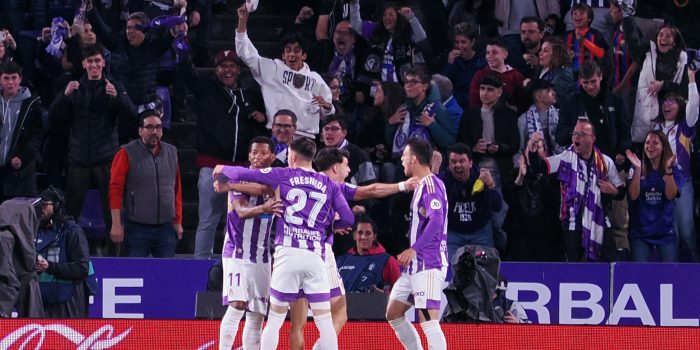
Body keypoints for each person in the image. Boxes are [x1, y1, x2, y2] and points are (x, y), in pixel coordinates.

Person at [213, 137, 354, 350]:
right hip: (315, 256)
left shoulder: (284, 175)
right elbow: (348, 219)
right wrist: (331, 227)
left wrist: (223, 168)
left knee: (275, 319)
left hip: (287, 254)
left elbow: (244, 173)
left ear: (293, 156)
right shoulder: (329, 184)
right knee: (325, 322)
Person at [288, 147, 417, 350]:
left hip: (292, 253)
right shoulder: (332, 186)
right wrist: (402, 186)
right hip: (320, 253)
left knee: (297, 321)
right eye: (346, 166)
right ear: (335, 167)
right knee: (338, 310)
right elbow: (370, 191)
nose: (349, 171)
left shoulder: (296, 180)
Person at [181, 48, 267, 259]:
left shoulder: (250, 95)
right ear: (216, 70)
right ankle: (201, 265)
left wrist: (262, 121)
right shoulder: (207, 89)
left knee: (241, 217)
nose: (227, 70)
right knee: (209, 219)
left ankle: (238, 261)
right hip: (212, 165)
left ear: (238, 70)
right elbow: (187, 74)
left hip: (242, 168)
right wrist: (182, 49)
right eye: (222, 66)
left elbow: (262, 128)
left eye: (231, 66)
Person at [48, 45, 135, 252]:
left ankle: (116, 260)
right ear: (84, 64)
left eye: (97, 61)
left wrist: (118, 98)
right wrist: (64, 96)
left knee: (112, 213)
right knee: (70, 213)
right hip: (78, 159)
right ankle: (63, 253)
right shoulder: (74, 87)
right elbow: (52, 118)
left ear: (103, 63)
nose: (94, 65)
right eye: (90, 61)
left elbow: (132, 117)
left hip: (106, 159)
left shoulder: (114, 86)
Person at [526, 118, 624, 262]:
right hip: (572, 222)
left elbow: (621, 192)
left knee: (610, 260)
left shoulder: (605, 162)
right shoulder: (565, 159)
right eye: (574, 133)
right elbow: (539, 167)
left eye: (581, 134)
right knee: (575, 266)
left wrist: (613, 191)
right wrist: (533, 151)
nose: (576, 137)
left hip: (599, 220)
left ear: (593, 138)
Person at [217, 137, 281, 350]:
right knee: (237, 305)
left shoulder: (276, 180)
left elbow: (271, 189)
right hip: (237, 252)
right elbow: (242, 212)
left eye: (263, 153)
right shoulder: (240, 181)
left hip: (262, 256)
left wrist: (229, 184)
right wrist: (264, 208)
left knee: (257, 313)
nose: (257, 157)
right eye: (254, 153)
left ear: (273, 156)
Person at [236, 5, 334, 139]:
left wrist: (327, 106)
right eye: (288, 50)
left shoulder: (315, 79)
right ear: (283, 55)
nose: (292, 54)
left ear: (304, 55)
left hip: (306, 137)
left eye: (296, 50)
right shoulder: (272, 69)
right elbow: (245, 53)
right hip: (279, 135)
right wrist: (242, 21)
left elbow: (327, 111)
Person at [386, 137, 448, 350]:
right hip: (414, 267)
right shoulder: (424, 184)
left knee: (429, 321)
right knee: (393, 313)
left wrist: (414, 249)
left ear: (413, 159)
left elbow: (437, 220)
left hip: (428, 263)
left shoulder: (430, 184)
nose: (401, 160)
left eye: (404, 156)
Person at [108, 110, 183, 257]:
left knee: (166, 275)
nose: (154, 131)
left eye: (158, 127)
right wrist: (116, 223)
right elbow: (115, 190)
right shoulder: (126, 153)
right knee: (135, 275)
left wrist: (178, 220)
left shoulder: (172, 152)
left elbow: (176, 190)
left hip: (166, 228)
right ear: (140, 131)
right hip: (136, 229)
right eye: (149, 127)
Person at [652, 68, 698, 261]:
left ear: (680, 105)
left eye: (671, 102)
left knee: (686, 230)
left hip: (682, 183)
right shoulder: (656, 128)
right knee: (670, 232)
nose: (666, 105)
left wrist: (691, 79)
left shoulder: (686, 126)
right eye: (664, 102)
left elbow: (694, 104)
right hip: (661, 184)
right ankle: (672, 271)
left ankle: (696, 262)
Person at [35, 187, 91, 318]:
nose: (40, 209)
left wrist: (50, 267)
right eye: (38, 205)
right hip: (42, 300)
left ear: (57, 205)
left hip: (68, 302)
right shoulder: (35, 230)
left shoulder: (73, 231)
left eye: (44, 205)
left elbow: (82, 268)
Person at [440, 143, 501, 261]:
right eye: (453, 161)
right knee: (449, 270)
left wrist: (491, 185)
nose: (457, 165)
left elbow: (498, 206)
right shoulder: (442, 180)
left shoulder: (482, 177)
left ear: (470, 162)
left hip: (480, 233)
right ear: (449, 164)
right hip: (453, 233)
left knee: (484, 270)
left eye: (462, 161)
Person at [632, 24, 689, 149]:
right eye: (661, 35)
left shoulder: (684, 60)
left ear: (674, 42)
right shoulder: (647, 55)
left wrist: (664, 85)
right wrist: (627, 17)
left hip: (672, 117)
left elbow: (684, 90)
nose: (663, 38)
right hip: (648, 114)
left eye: (668, 36)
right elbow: (632, 40)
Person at [625, 131, 679, 262]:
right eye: (647, 143)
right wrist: (638, 169)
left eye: (655, 143)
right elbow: (633, 196)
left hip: (665, 233)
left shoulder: (672, 169)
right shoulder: (636, 167)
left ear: (664, 147)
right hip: (640, 233)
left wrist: (668, 172)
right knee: (640, 276)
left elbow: (671, 195)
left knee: (671, 275)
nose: (650, 146)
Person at [459, 74, 519, 189]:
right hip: (475, 169)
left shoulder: (509, 116)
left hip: (501, 172)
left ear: (499, 92)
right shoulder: (469, 115)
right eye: (482, 88)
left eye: (490, 90)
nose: (485, 93)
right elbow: (460, 143)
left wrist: (499, 147)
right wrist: (473, 148)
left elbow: (514, 146)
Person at [348, 0, 428, 86]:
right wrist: (354, 3)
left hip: (402, 88)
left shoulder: (406, 34)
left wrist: (410, 17)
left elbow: (421, 36)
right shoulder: (376, 32)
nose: (387, 18)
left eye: (391, 14)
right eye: (385, 15)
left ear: (399, 17)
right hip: (378, 89)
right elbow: (356, 25)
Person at [0, 61, 44, 202]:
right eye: (6, 78)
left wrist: (23, 157)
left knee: (18, 220)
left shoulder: (32, 104)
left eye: (14, 78)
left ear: (20, 79)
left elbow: (36, 136)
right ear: (0, 79)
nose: (10, 82)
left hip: (21, 173)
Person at [336, 215, 401, 293]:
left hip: (375, 305)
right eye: (360, 233)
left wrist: (382, 294)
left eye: (368, 233)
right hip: (343, 305)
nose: (363, 237)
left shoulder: (388, 261)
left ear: (374, 236)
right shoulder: (340, 261)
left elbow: (399, 294)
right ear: (354, 235)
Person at [468, 37, 526, 113]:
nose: (489, 56)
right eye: (487, 53)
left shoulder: (517, 76)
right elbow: (473, 102)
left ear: (505, 55)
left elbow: (522, 104)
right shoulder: (480, 75)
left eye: (494, 52)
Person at [440, 22, 486, 110]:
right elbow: (442, 88)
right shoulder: (450, 59)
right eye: (457, 42)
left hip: (475, 108)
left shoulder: (482, 61)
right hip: (454, 108)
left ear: (472, 42)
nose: (459, 46)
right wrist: (449, 64)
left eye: (463, 42)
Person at [321, 115, 376, 186]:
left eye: (334, 129)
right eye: (326, 129)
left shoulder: (359, 155)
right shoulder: (318, 153)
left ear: (344, 133)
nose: (329, 132)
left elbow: (369, 186)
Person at [565, 3, 610, 81]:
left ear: (589, 18)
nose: (577, 15)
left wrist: (584, 41)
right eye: (575, 13)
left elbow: (602, 54)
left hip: (591, 77)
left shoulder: (595, 34)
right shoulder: (567, 35)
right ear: (571, 18)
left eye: (581, 13)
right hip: (571, 77)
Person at [518, 79, 563, 156]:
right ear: (538, 97)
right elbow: (520, 149)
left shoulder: (561, 114)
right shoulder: (523, 120)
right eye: (548, 90)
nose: (554, 93)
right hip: (535, 163)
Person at [537, 36, 576, 102]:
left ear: (556, 54)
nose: (540, 53)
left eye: (545, 51)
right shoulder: (544, 69)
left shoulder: (563, 74)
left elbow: (552, 99)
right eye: (541, 50)